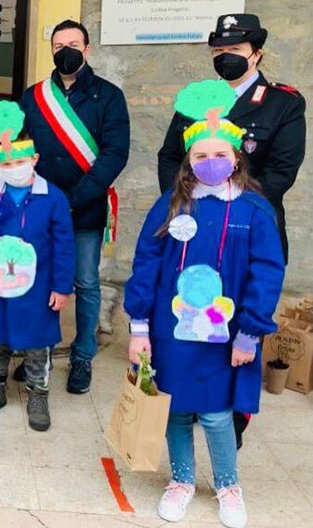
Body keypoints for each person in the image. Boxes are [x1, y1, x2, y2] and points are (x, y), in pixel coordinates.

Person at [124, 80, 284, 528]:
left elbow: (267, 272)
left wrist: (250, 331)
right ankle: (181, 481)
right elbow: (146, 263)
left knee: (216, 414)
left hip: (226, 336)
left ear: (236, 158)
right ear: (188, 162)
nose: (210, 163)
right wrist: (139, 328)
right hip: (171, 332)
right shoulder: (172, 205)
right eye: (200, 156)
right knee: (175, 409)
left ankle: (229, 485)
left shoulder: (254, 211)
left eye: (219, 155)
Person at [18, 19, 130, 395]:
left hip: (84, 208)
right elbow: (21, 148)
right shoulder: (34, 97)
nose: (65, 50)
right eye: (58, 44)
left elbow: (115, 154)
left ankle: (83, 354)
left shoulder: (109, 96)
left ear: (87, 49)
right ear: (51, 50)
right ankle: (41, 351)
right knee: (42, 281)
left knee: (84, 282)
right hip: (41, 210)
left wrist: (75, 198)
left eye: (73, 43)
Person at [0, 101, 76, 432]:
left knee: (38, 340)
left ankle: (38, 391)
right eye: (7, 162)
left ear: (34, 160)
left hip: (38, 286)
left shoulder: (52, 197)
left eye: (21, 161)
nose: (14, 167)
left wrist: (61, 285)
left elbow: (64, 246)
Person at [157, 14, 306, 262]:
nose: (226, 56)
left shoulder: (282, 103)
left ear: (257, 55)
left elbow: (281, 171)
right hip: (194, 221)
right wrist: (182, 201)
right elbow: (170, 156)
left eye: (235, 48)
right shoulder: (195, 99)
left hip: (250, 225)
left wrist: (233, 207)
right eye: (219, 50)